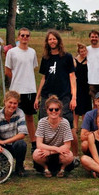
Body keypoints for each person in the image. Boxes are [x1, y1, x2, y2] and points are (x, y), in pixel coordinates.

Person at [34, 30, 79, 165]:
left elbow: (72, 77)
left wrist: (74, 97)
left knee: (69, 126)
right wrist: (37, 97)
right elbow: (43, 78)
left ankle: (74, 156)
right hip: (47, 95)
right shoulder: (46, 58)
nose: (52, 41)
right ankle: (45, 157)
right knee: (44, 123)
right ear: (47, 42)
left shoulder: (67, 57)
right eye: (49, 39)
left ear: (58, 41)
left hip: (63, 96)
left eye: (54, 39)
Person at [5, 28, 38, 153]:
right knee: (13, 117)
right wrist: (17, 79)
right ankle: (13, 142)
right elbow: (7, 70)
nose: (25, 37)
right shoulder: (12, 52)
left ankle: (34, 142)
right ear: (18, 37)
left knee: (29, 117)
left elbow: (32, 67)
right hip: (16, 90)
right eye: (22, 35)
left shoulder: (32, 52)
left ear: (29, 38)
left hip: (30, 89)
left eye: (27, 36)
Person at [33, 95, 74, 178]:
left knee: (69, 155)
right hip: (47, 152)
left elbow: (67, 145)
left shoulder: (65, 123)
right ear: (47, 110)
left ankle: (62, 169)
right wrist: (55, 149)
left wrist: (51, 152)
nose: (54, 111)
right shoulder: (42, 122)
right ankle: (45, 168)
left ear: (60, 111)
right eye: (51, 109)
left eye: (56, 109)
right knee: (36, 154)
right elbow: (39, 144)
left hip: (59, 153)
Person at [0, 91, 28, 177]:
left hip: (13, 143)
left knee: (21, 144)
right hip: (2, 146)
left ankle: (19, 166)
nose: (12, 105)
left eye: (15, 103)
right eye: (10, 102)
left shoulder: (20, 113)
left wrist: (5, 141)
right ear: (5, 102)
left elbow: (22, 134)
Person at [73, 42, 92, 129]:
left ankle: (84, 126)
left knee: (85, 107)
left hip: (86, 86)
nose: (83, 53)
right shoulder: (75, 61)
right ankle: (75, 126)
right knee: (76, 107)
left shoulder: (89, 60)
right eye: (81, 51)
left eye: (85, 51)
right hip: (77, 86)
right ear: (78, 52)